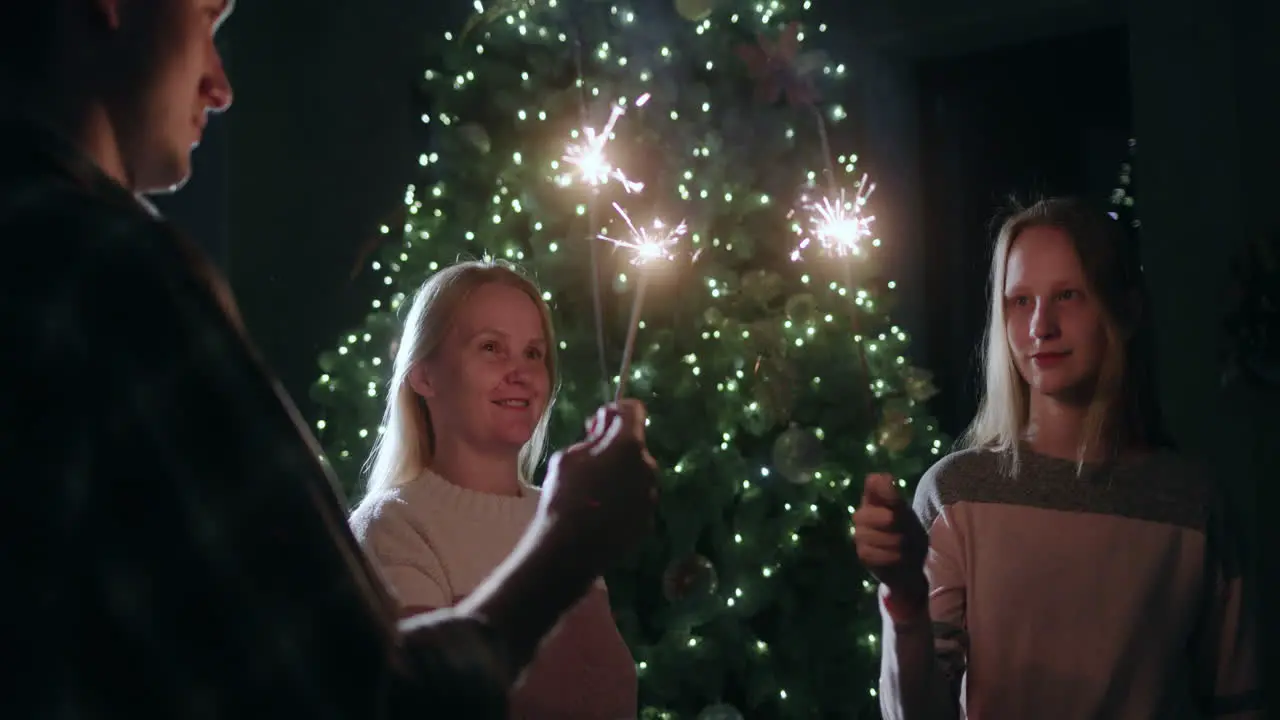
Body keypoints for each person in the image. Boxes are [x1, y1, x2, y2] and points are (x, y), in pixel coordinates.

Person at [0, 1, 657, 717]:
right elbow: (362, 701)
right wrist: (567, 543)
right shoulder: (111, 275)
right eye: (205, 21)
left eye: (533, 351)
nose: (220, 85)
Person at [853, 198, 1262, 719]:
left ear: (1127, 309)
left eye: (1068, 295)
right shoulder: (957, 495)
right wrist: (906, 597)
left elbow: (1240, 703)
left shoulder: (1193, 504)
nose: (1040, 326)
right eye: (1020, 301)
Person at [350, 260, 639, 719]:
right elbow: (429, 703)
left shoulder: (563, 516)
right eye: (491, 348)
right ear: (424, 376)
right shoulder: (395, 526)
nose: (521, 373)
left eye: (533, 353)